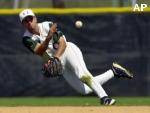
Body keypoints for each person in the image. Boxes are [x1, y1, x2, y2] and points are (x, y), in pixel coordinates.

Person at [19, 9, 133, 105]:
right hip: (58, 62)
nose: (29, 22)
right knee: (84, 90)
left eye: (30, 18)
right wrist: (48, 39)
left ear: (35, 18)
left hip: (68, 51)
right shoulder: (26, 39)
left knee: (82, 74)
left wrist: (56, 58)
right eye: (25, 21)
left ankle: (105, 98)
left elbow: (63, 43)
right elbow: (39, 51)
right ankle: (114, 71)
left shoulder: (47, 25)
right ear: (23, 24)